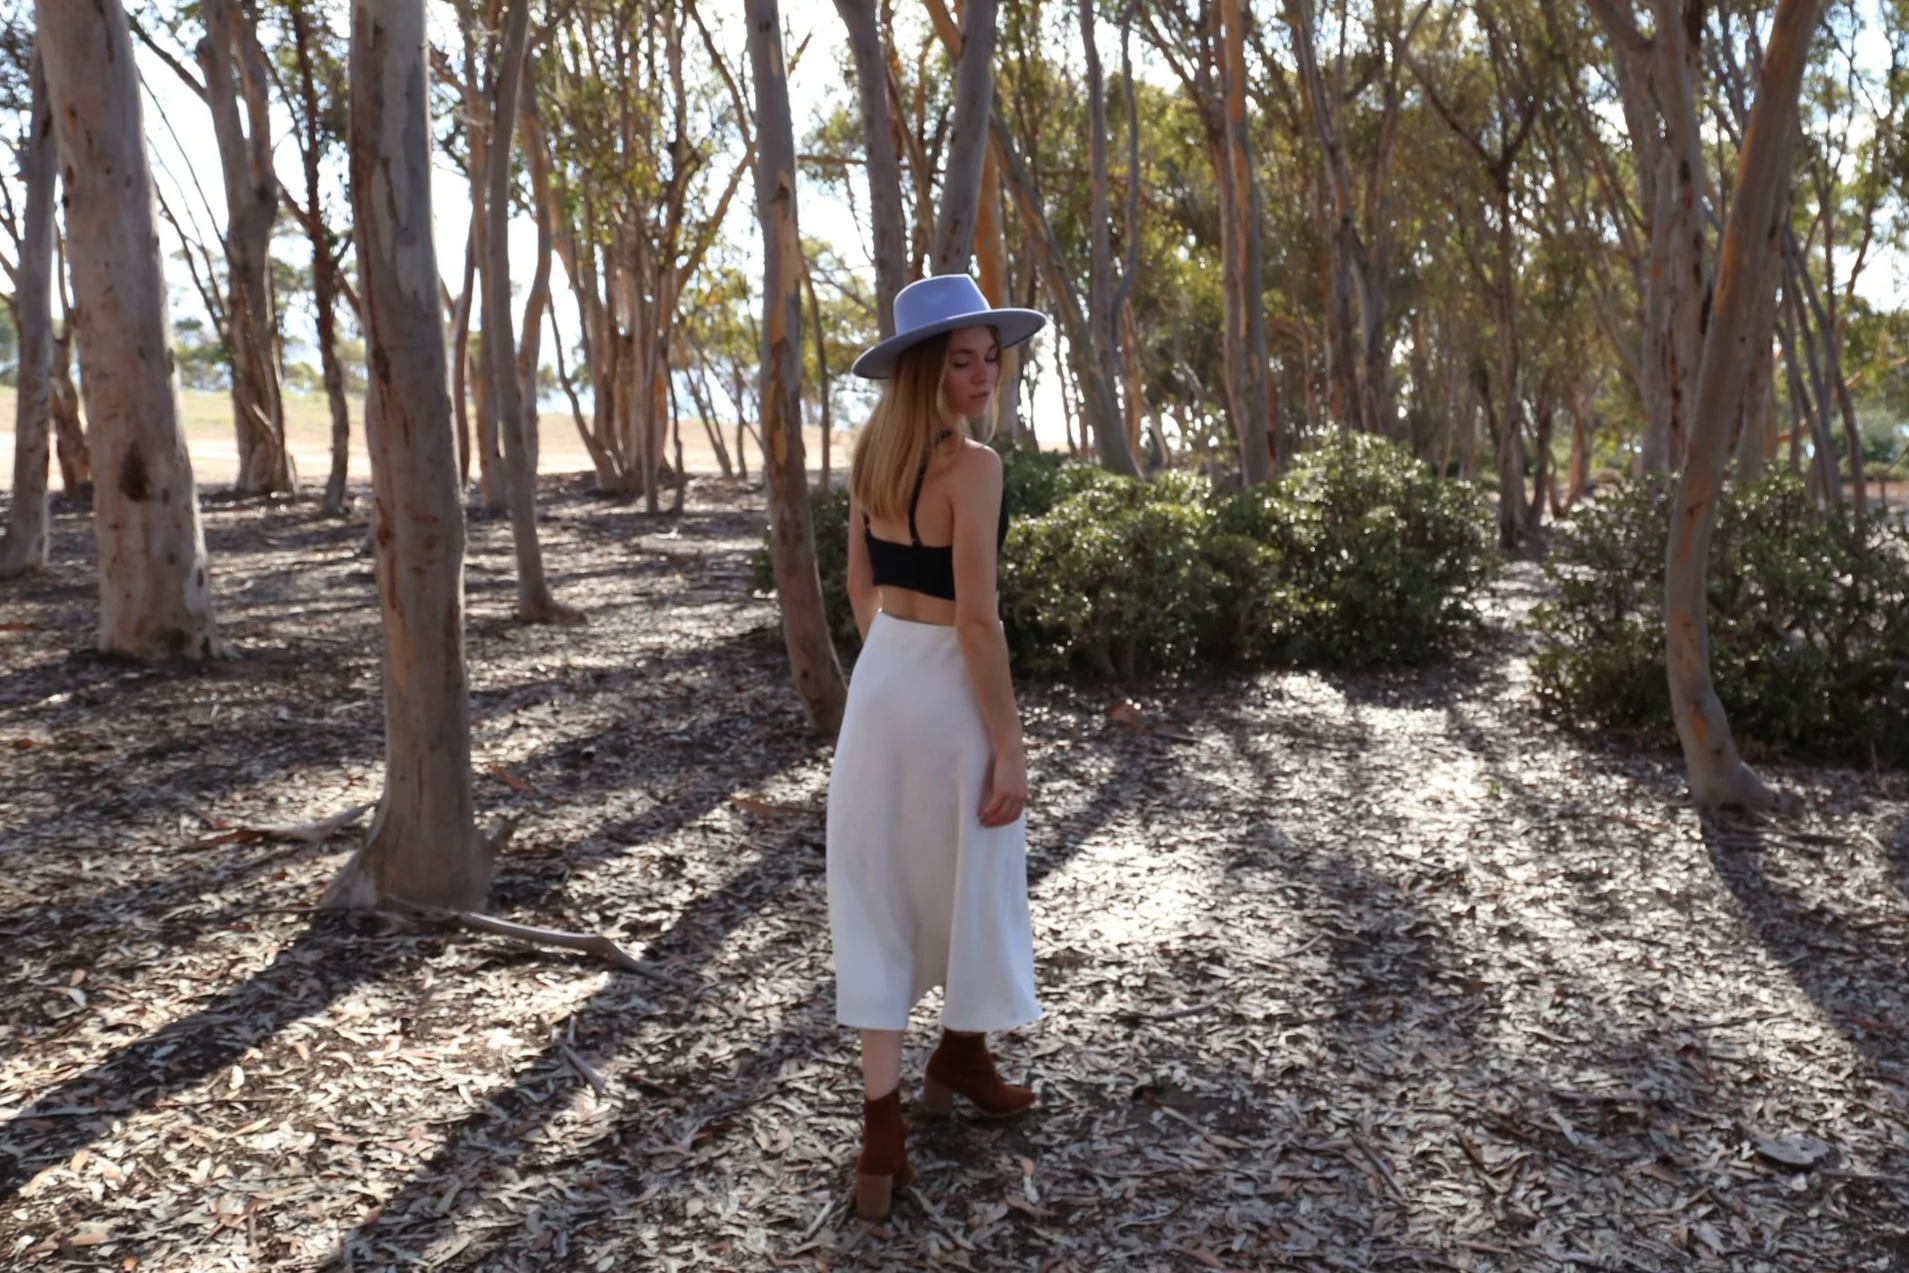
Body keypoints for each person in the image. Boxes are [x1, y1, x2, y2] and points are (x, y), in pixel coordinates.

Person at [828, 274, 1048, 1221]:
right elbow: (978, 622)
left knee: (878, 896)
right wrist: (1010, 746)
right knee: (972, 877)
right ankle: (957, 1055)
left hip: (880, 688)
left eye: (989, 358)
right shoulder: (975, 468)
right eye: (961, 361)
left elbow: (859, 587)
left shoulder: (870, 455)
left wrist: (889, 665)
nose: (982, 375)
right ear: (925, 369)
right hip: (949, 696)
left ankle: (894, 1123)